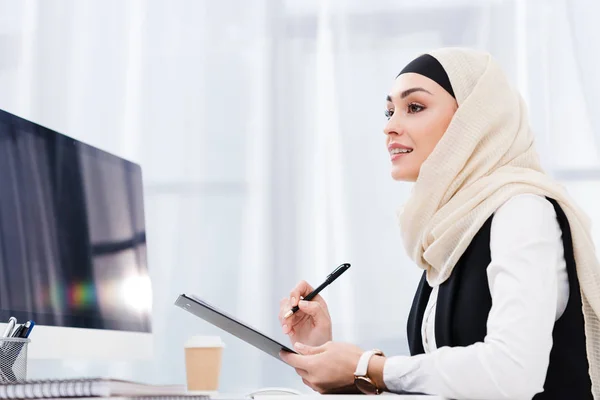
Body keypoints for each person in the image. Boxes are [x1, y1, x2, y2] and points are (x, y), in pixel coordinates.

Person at [278, 48, 600, 400]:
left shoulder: (522, 210)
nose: (389, 126)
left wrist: (368, 367)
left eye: (413, 107)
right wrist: (326, 357)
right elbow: (449, 387)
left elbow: (511, 374)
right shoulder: (452, 228)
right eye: (389, 111)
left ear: (475, 121)